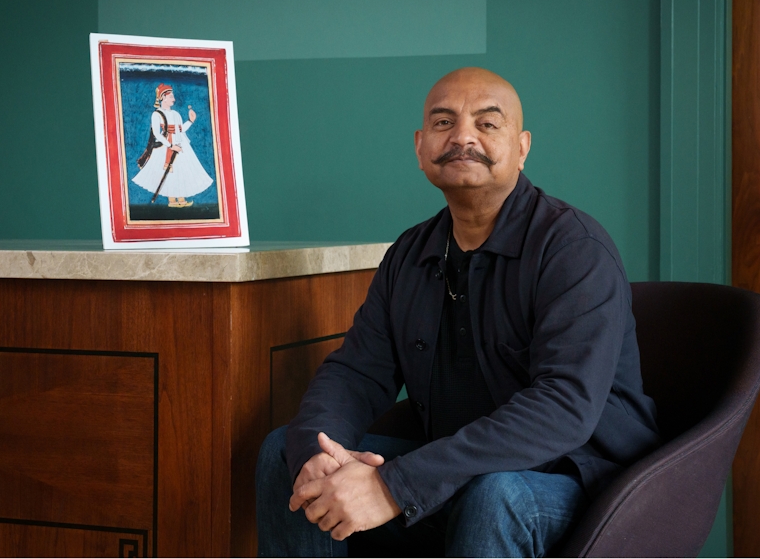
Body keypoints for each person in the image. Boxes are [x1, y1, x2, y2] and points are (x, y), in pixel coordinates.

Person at [255, 67, 661, 557]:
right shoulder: (410, 252)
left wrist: (395, 486)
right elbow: (356, 372)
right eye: (444, 122)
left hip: (579, 478)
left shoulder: (573, 248)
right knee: (287, 452)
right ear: (421, 146)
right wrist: (319, 455)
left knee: (498, 496)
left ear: (522, 146)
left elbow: (564, 407)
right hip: (455, 471)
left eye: (487, 124)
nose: (463, 136)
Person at [130, 83, 214, 208]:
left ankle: (180, 198)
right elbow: (157, 134)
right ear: (163, 97)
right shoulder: (156, 114)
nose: (174, 99)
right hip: (165, 147)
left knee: (181, 171)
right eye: (171, 97)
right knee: (169, 172)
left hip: (179, 145)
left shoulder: (176, 114)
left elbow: (180, 130)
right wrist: (170, 145)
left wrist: (190, 121)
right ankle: (172, 200)